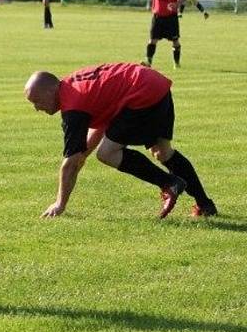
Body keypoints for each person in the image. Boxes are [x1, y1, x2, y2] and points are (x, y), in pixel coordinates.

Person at [24, 62, 217, 219]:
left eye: (37, 101)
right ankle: (205, 205)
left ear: (50, 92)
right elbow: (98, 127)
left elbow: (70, 164)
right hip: (155, 84)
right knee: (163, 151)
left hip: (142, 94)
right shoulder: (73, 86)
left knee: (107, 153)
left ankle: (169, 183)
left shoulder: (72, 107)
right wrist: (82, 156)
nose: (36, 108)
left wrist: (59, 204)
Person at [139, 0, 185, 69]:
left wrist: (176, 4)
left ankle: (176, 63)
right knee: (152, 40)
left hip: (171, 18)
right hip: (158, 17)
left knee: (175, 41)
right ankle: (148, 62)